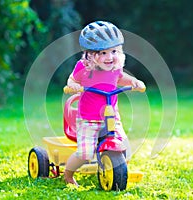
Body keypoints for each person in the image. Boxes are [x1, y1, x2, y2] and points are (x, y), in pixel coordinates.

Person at [64, 21, 146, 186]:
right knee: (85, 154)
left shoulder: (115, 67)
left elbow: (121, 78)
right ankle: (68, 174)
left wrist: (134, 81)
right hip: (89, 119)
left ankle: (116, 170)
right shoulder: (83, 68)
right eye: (103, 53)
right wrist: (73, 85)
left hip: (111, 117)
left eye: (113, 51)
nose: (109, 57)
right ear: (90, 54)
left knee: (125, 149)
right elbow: (72, 79)